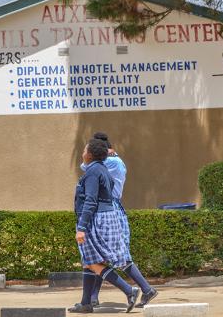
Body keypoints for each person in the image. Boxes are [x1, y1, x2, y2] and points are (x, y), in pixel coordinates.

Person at [85, 132, 158, 308]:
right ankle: (92, 298)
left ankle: (146, 289)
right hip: (109, 209)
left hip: (110, 210)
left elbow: (84, 164)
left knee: (118, 255)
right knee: (98, 257)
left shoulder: (111, 162)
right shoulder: (111, 161)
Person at [69, 139, 140, 313]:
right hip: (106, 217)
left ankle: (129, 291)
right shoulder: (102, 169)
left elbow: (91, 201)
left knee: (94, 263)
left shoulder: (93, 172)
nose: (82, 153)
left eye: (84, 150)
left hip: (96, 220)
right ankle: (86, 303)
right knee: (89, 261)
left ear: (90, 154)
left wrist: (82, 227)